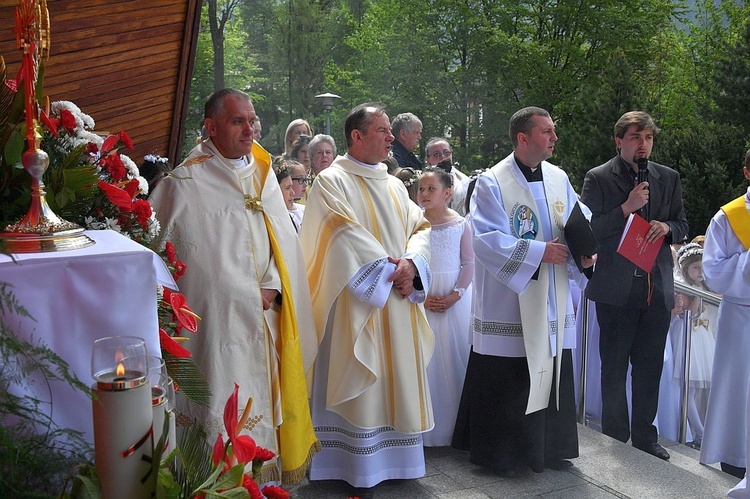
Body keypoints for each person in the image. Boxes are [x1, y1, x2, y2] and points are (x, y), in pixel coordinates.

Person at [149, 88, 319, 484]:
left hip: (265, 320)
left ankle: (263, 484)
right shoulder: (181, 184)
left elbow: (283, 245)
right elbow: (159, 260)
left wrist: (274, 286)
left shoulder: (263, 176)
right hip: (216, 327)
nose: (250, 129)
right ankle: (216, 485)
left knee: (263, 407)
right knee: (219, 410)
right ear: (210, 127)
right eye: (237, 121)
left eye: (252, 120)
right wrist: (237, 293)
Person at [299, 103, 433, 496]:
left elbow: (420, 225)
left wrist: (412, 264)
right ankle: (348, 463)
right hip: (358, 302)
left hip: (397, 295)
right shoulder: (331, 181)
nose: (391, 137)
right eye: (382, 130)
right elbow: (338, 233)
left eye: (391, 130)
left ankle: (398, 462)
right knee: (359, 376)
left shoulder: (393, 183)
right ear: (357, 136)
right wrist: (391, 271)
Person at [452, 106, 594, 475]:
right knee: (509, 371)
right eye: (546, 132)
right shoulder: (493, 182)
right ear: (523, 137)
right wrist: (538, 253)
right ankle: (505, 454)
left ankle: (549, 448)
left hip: (550, 292)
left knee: (550, 362)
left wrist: (584, 248)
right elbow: (485, 238)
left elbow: (578, 217)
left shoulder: (558, 177)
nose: (554, 138)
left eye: (553, 130)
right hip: (509, 300)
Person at [581, 111, 688, 461]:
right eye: (635, 137)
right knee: (613, 367)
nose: (643, 145)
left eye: (648, 138)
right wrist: (627, 207)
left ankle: (645, 436)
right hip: (616, 288)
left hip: (655, 289)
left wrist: (667, 227)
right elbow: (590, 230)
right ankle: (615, 435)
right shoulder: (598, 178)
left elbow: (683, 222)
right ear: (619, 140)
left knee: (649, 366)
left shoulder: (667, 177)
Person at [700, 149, 750, 479]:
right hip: (741, 318)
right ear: (747, 172)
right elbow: (712, 272)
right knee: (739, 389)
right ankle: (736, 457)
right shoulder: (729, 216)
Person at [417, 167, 473, 447]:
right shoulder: (414, 222)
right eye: (421, 189)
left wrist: (456, 295)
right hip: (422, 299)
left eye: (431, 189)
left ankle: (455, 428)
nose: (425, 194)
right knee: (425, 362)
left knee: (453, 358)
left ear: (447, 193)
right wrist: (420, 296)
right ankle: (423, 427)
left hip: (453, 300)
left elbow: (469, 262)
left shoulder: (460, 223)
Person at [671, 242, 716, 449]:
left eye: (701, 266)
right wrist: (697, 294)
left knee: (695, 390)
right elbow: (692, 313)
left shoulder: (702, 287)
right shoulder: (684, 289)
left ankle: (697, 430)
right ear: (685, 269)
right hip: (688, 336)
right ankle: (701, 433)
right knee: (687, 390)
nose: (700, 271)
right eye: (695, 267)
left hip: (701, 338)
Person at [424, 137, 470, 216]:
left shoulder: (464, 181)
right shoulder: (420, 181)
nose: (442, 156)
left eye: (446, 152)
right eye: (436, 154)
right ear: (427, 159)